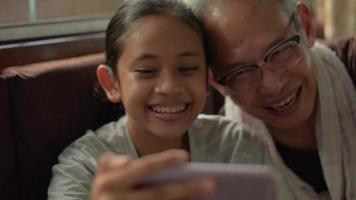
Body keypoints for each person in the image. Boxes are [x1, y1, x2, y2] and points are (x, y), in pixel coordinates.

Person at [47, 0, 256, 199]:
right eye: (147, 71)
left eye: (187, 68)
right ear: (112, 83)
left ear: (206, 78)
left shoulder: (234, 144)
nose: (170, 87)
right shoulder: (83, 166)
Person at [190, 0, 356, 199]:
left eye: (281, 50)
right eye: (241, 72)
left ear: (306, 26)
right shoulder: (222, 150)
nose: (273, 86)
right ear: (216, 81)